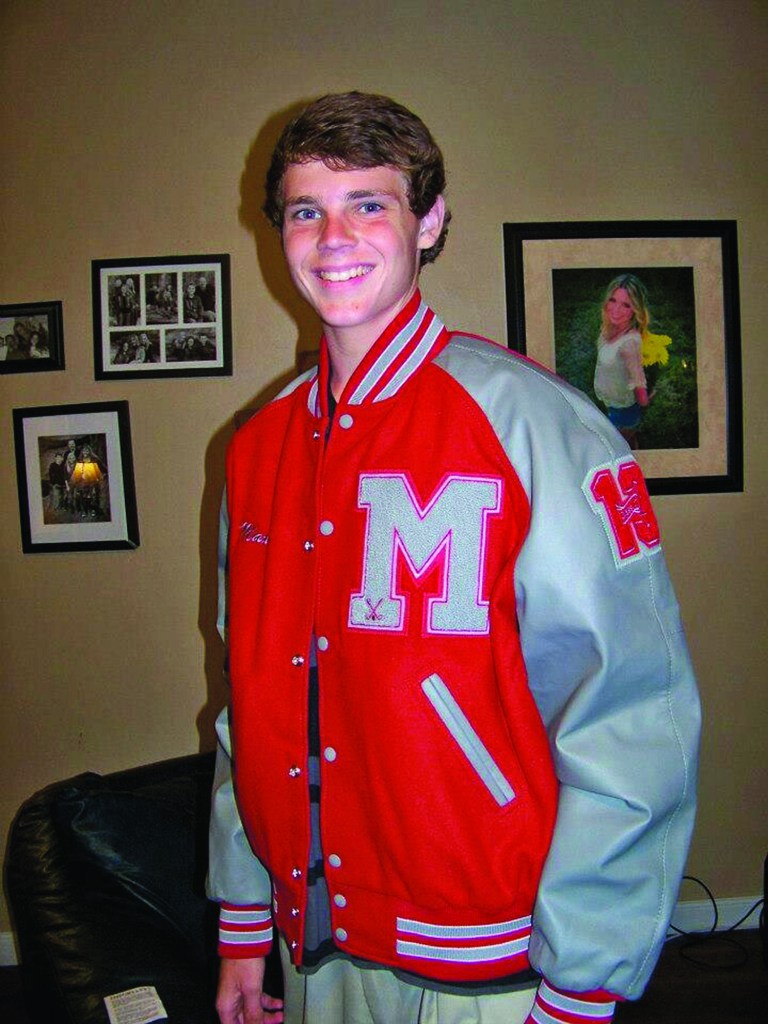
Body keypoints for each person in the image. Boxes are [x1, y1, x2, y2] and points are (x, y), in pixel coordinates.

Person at [208, 92, 700, 1024]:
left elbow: (632, 714)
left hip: (492, 954)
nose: (333, 236)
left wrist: (585, 980)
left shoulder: (539, 427)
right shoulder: (255, 448)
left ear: (428, 222)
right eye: (307, 210)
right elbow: (254, 700)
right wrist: (242, 921)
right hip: (310, 941)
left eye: (371, 204)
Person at [593, 274, 651, 450]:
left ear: (635, 310)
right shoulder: (607, 330)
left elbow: (638, 379)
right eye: (613, 300)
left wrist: (644, 402)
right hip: (609, 405)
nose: (616, 310)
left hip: (623, 411)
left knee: (618, 450)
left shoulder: (629, 343)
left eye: (626, 305)